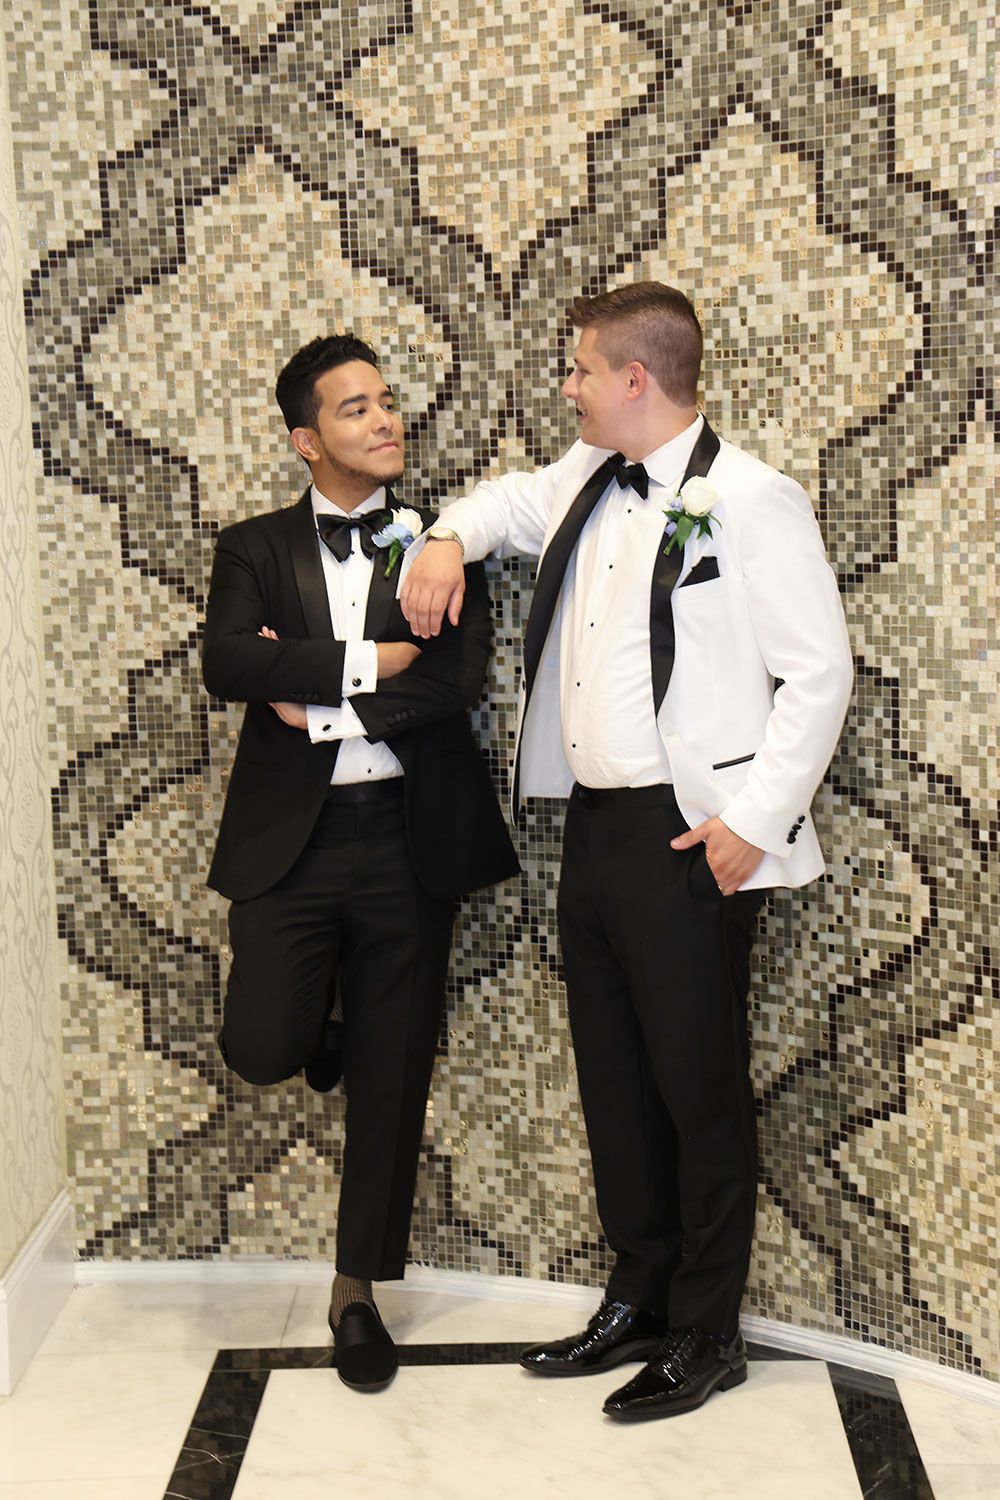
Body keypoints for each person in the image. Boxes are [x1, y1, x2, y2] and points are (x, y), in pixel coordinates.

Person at [400, 283, 853, 1421]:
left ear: (635, 380)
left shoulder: (751, 500)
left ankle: (707, 1333)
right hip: (591, 831)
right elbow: (505, 502)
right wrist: (447, 538)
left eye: (579, 370)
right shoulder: (584, 477)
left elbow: (820, 673)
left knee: (697, 1091)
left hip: (687, 840)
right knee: (612, 1081)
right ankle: (638, 1296)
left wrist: (752, 822)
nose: (568, 386)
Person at [202, 333, 518, 1392]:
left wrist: (319, 697)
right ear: (306, 439)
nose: (384, 420)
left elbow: (457, 680)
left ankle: (354, 1293)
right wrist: (366, 661)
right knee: (259, 1043)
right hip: (287, 846)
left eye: (386, 403)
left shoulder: (438, 547)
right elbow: (229, 662)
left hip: (404, 839)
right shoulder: (252, 547)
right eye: (354, 410)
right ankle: (319, 1025)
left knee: (393, 1076)